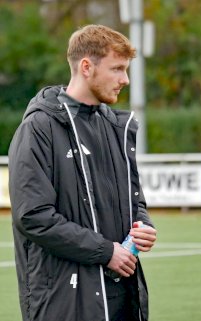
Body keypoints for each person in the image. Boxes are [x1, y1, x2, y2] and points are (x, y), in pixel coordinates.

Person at [8, 24, 157, 321]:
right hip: (64, 300)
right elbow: (33, 216)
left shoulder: (116, 127)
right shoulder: (39, 128)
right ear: (86, 67)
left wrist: (142, 224)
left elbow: (132, 199)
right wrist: (105, 251)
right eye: (117, 69)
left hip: (122, 296)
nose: (125, 80)